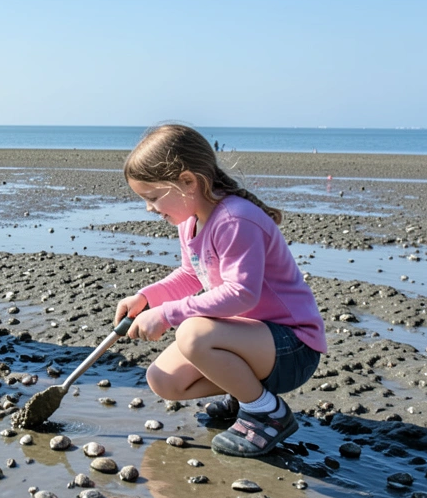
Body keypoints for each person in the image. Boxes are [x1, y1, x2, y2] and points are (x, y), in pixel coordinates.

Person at [114, 124, 325, 457]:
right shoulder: (191, 220)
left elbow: (242, 294)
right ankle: (245, 393)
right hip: (253, 343)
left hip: (293, 347)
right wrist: (147, 298)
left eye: (153, 197)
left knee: (193, 333)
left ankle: (267, 413)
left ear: (188, 181)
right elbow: (189, 275)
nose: (149, 208)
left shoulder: (235, 220)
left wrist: (168, 314)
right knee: (163, 379)